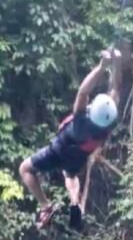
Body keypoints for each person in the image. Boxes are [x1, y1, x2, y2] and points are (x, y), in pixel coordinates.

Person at [19, 49, 122, 230]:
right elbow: (116, 89)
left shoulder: (81, 120)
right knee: (71, 174)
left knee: (25, 169)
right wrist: (117, 64)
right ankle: (75, 202)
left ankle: (45, 206)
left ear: (92, 109)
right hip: (79, 156)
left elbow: (83, 91)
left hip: (59, 150)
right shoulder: (107, 124)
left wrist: (101, 67)